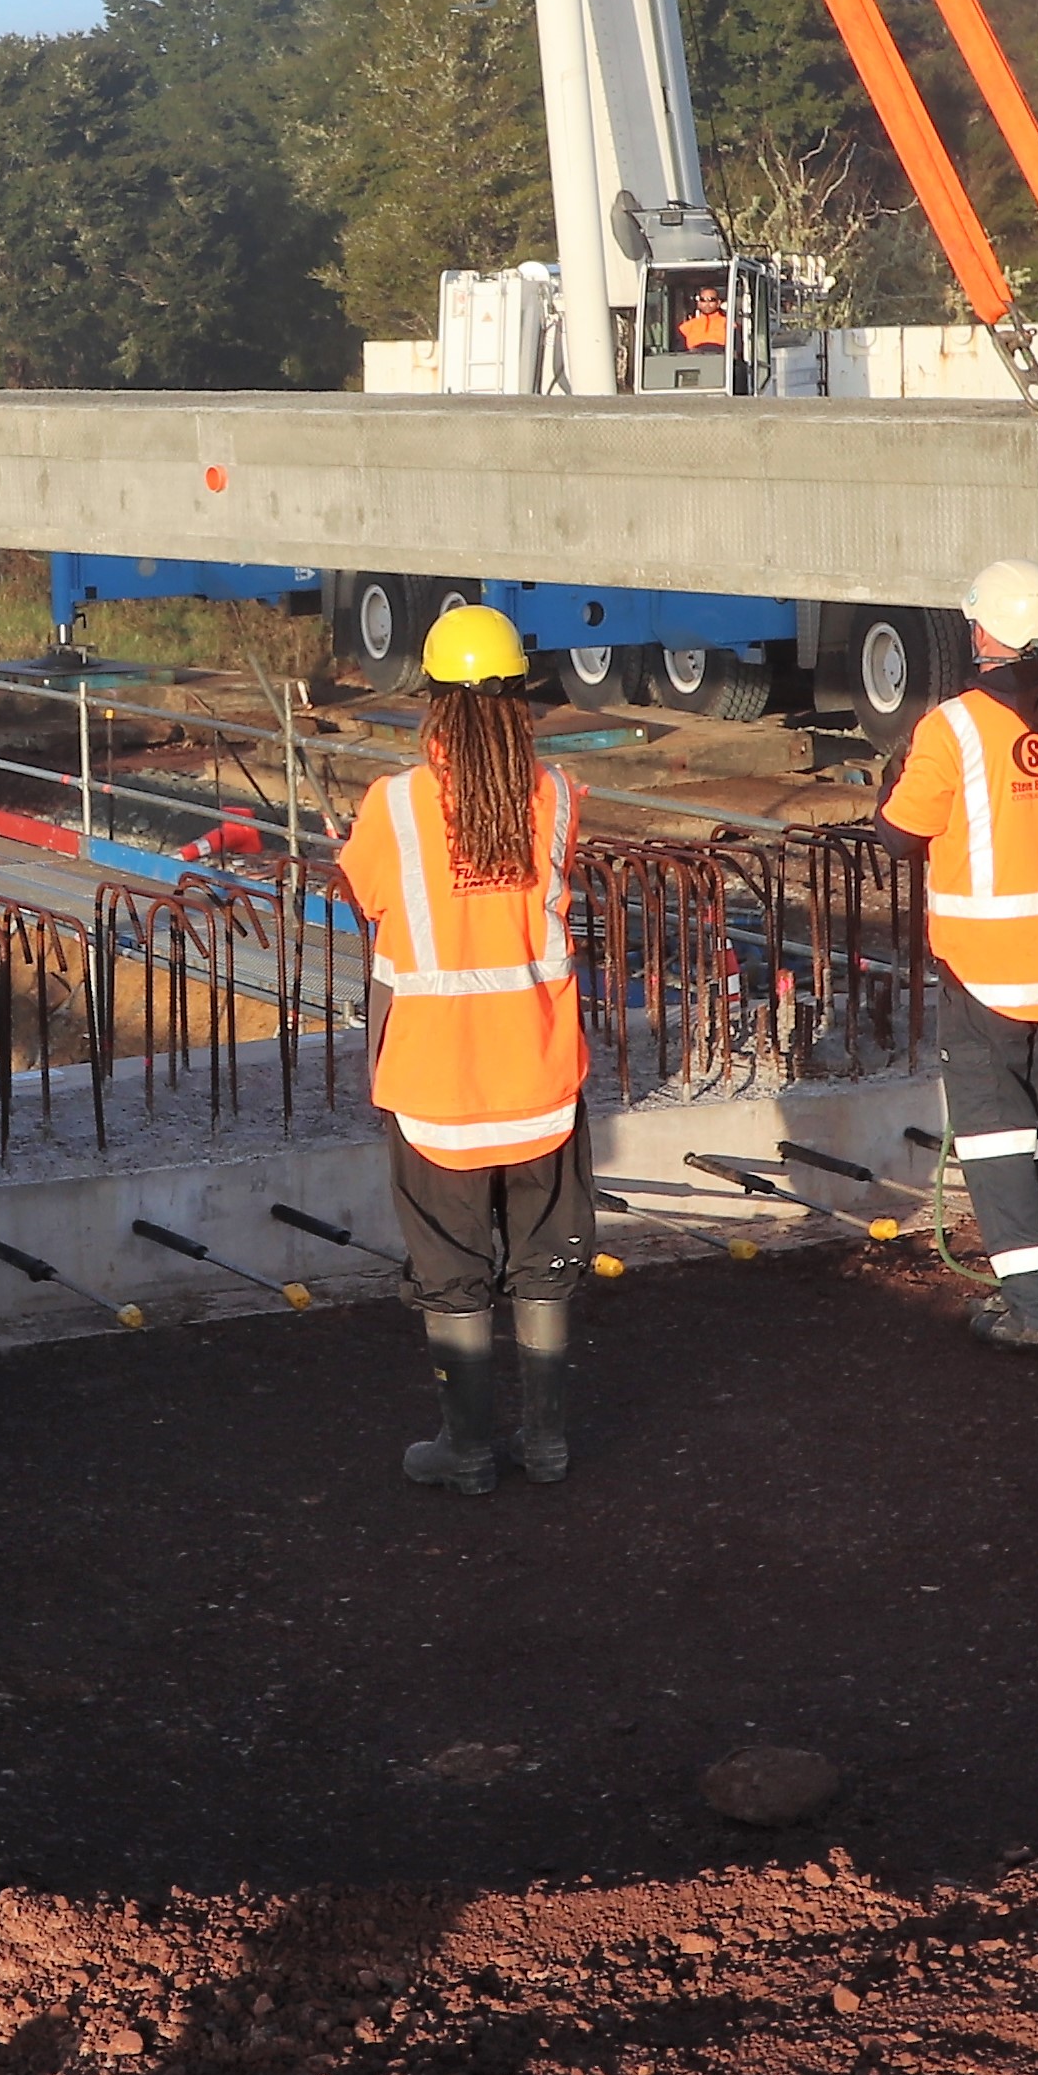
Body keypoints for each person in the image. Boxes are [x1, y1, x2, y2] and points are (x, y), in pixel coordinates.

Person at [336, 602, 595, 1493]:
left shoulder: (395, 807)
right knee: (543, 1260)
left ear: (433, 705)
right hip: (539, 1076)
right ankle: (550, 1443)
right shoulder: (557, 796)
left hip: (436, 1086)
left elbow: (370, 894)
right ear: (522, 697)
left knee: (453, 1274)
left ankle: (468, 1450)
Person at [879, 555, 1038, 1354]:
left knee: (996, 1139)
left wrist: (889, 779)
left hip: (984, 971)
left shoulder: (952, 726)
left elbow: (900, 830)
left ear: (983, 631)